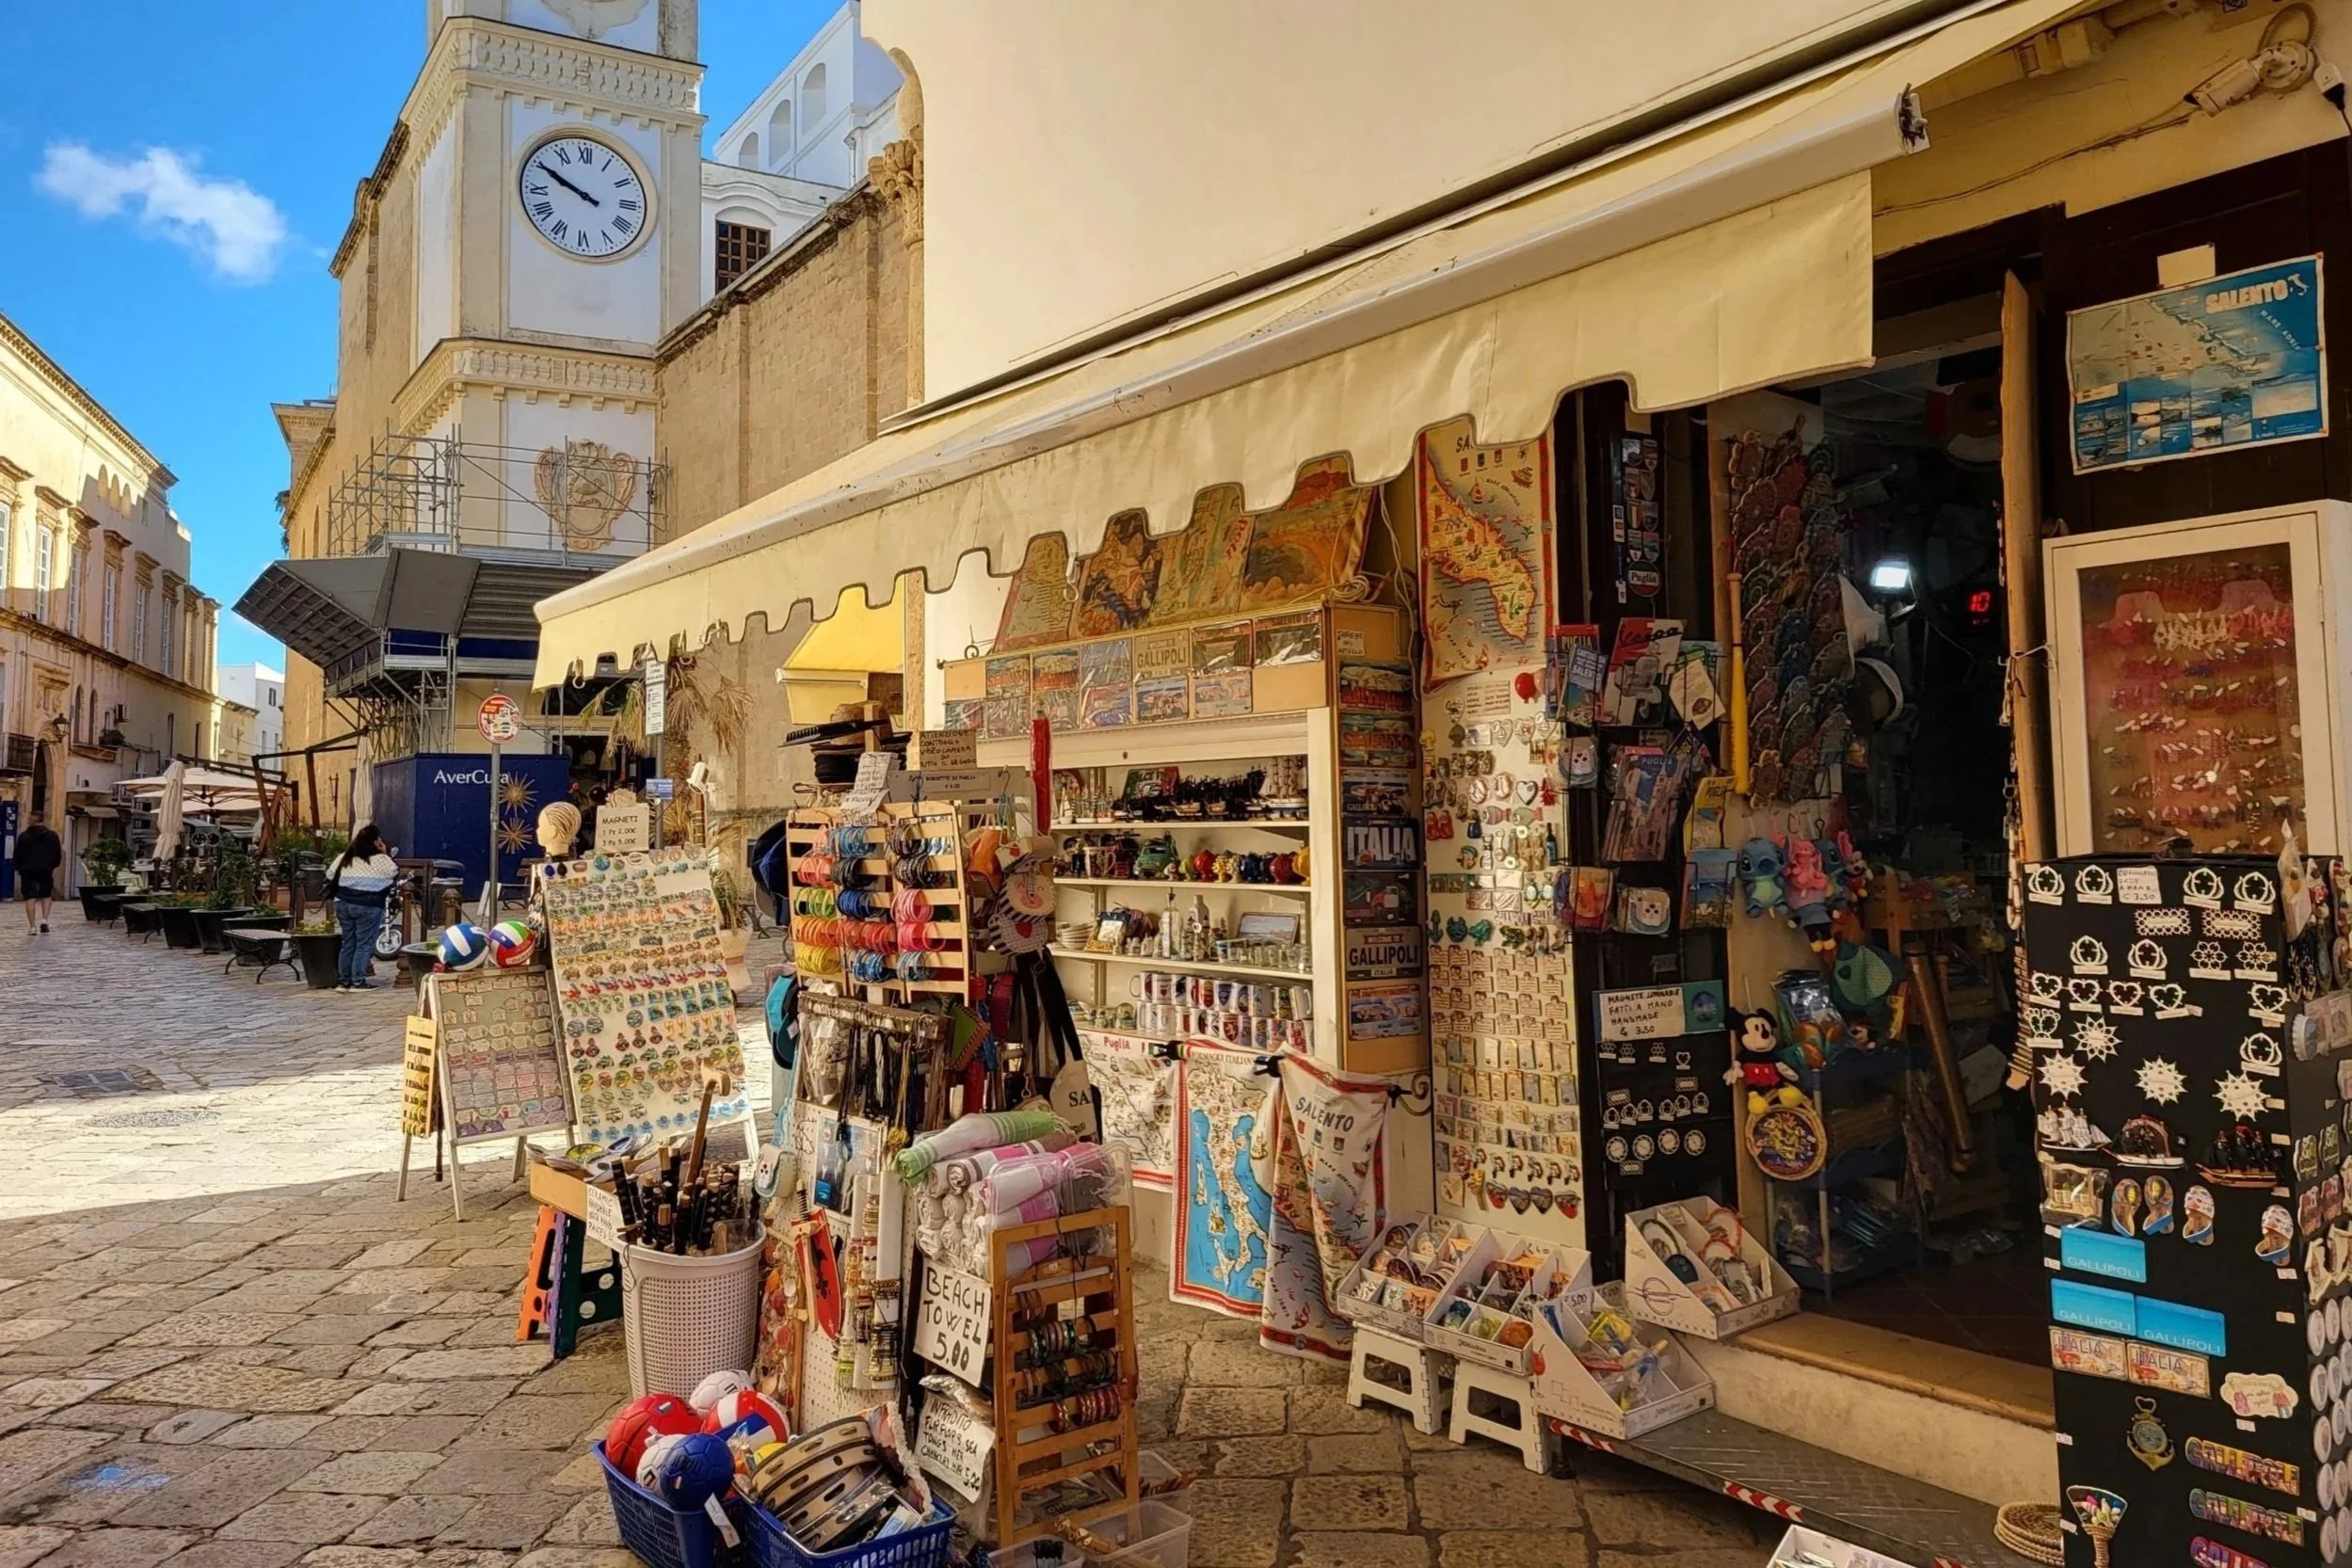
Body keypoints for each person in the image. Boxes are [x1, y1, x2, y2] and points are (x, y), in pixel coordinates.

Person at [325, 824, 400, 992]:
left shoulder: (345, 857)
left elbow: (330, 874)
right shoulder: (381, 860)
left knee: (348, 942)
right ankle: (358, 981)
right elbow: (393, 872)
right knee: (364, 944)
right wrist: (384, 853)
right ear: (375, 842)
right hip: (368, 904)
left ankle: (344, 982)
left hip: (343, 903)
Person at [12, 809, 61, 935]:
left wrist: (19, 867)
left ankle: (32, 926)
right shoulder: (52, 836)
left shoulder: (24, 836)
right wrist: (52, 865)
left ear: (31, 820)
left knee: (30, 897)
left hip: (28, 869)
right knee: (46, 894)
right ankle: (44, 920)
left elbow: (18, 854)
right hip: (45, 869)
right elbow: (57, 854)